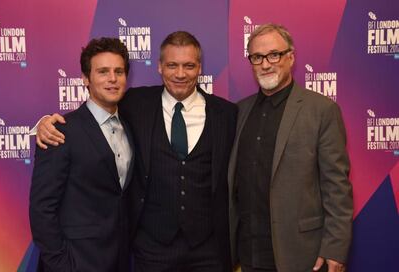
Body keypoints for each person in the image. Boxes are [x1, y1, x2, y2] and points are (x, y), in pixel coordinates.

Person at [35, 31, 237, 272]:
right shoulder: (136, 102)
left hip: (208, 250)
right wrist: (45, 123)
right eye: (172, 65)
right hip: (151, 250)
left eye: (189, 65)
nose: (180, 74)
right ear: (160, 67)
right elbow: (94, 110)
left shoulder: (227, 114)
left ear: (199, 68)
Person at [228, 23, 353, 272]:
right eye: (257, 57)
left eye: (274, 54)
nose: (265, 64)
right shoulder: (239, 111)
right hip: (247, 253)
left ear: (291, 57)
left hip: (301, 254)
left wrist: (334, 248)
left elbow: (336, 187)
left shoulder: (321, 111)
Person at [29, 37, 134, 272]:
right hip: (76, 262)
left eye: (119, 71)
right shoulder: (60, 131)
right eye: (103, 71)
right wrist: (62, 264)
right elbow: (42, 208)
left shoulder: (131, 125)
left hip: (120, 260)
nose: (112, 79)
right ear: (86, 79)